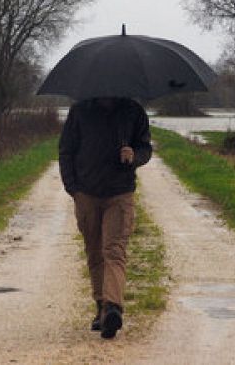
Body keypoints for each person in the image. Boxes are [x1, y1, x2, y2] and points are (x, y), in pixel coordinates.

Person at [58, 96, 152, 339]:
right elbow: (66, 150)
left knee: (114, 249)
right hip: (87, 194)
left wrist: (135, 155)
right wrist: (73, 189)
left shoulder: (133, 110)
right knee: (95, 251)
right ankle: (101, 306)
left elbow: (145, 147)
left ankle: (113, 308)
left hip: (120, 193)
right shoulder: (80, 110)